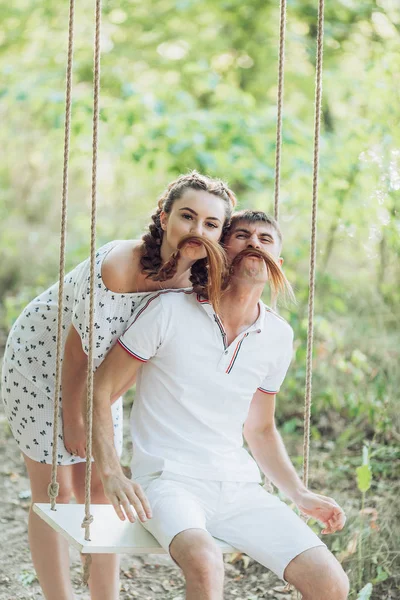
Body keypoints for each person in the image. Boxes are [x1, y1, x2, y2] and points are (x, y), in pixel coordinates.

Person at [90, 210, 349, 600]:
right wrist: (111, 471)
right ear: (220, 252)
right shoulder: (169, 310)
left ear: (278, 263)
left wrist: (299, 494)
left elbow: (260, 428)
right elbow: (101, 389)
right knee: (206, 561)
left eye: (265, 239)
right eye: (242, 235)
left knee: (330, 583)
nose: (254, 244)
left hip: (239, 488)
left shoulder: (278, 335)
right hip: (168, 483)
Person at [1, 171, 236, 600]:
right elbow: (75, 356)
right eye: (187, 216)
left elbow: (133, 363)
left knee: (98, 487)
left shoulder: (195, 287)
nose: (196, 230)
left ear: (220, 235)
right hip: (41, 362)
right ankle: (60, 596)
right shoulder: (120, 267)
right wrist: (74, 419)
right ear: (164, 217)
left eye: (210, 223)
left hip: (101, 375)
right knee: (58, 488)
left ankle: (103, 595)